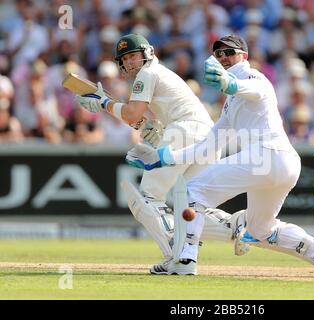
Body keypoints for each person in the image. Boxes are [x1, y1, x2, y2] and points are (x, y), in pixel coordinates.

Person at [130, 34, 314, 277]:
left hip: (266, 155)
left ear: (244, 56)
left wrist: (229, 83)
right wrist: (163, 158)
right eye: (218, 54)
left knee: (192, 190)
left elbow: (250, 89)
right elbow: (207, 146)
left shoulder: (253, 77)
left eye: (229, 53)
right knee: (260, 229)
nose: (223, 58)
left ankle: (185, 256)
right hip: (280, 164)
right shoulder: (230, 103)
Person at [75, 33, 247, 275]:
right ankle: (235, 225)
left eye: (133, 56)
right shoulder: (158, 74)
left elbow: (132, 114)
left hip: (185, 131)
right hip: (206, 135)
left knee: (146, 197)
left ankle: (176, 257)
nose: (129, 63)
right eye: (124, 59)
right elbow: (143, 120)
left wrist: (104, 103)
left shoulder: (147, 73)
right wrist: (152, 128)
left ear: (147, 53)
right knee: (189, 206)